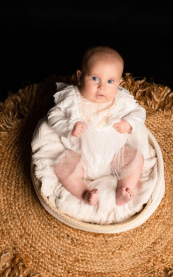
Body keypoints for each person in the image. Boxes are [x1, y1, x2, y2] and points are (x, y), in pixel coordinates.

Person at [47, 46, 148, 206]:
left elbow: (139, 112)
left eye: (110, 81)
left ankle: (124, 190)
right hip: (80, 159)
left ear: (119, 83)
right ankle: (84, 192)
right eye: (95, 79)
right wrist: (69, 127)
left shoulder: (121, 100)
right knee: (62, 166)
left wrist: (127, 123)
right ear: (80, 77)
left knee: (136, 157)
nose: (102, 87)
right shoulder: (72, 98)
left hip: (115, 158)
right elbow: (53, 116)